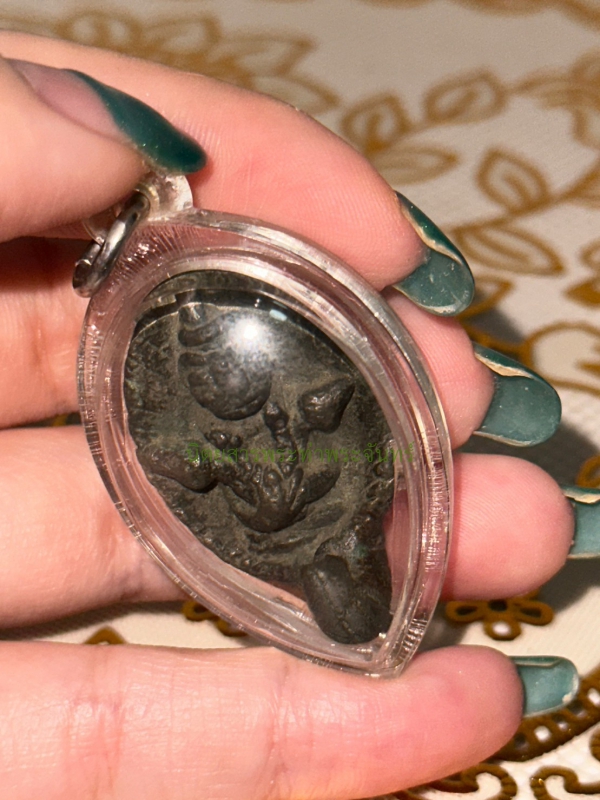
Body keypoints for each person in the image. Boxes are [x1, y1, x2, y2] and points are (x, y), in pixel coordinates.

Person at [0, 30, 586, 800]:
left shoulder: (331, 467)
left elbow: (328, 412)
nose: (214, 380)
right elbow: (189, 463)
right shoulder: (198, 409)